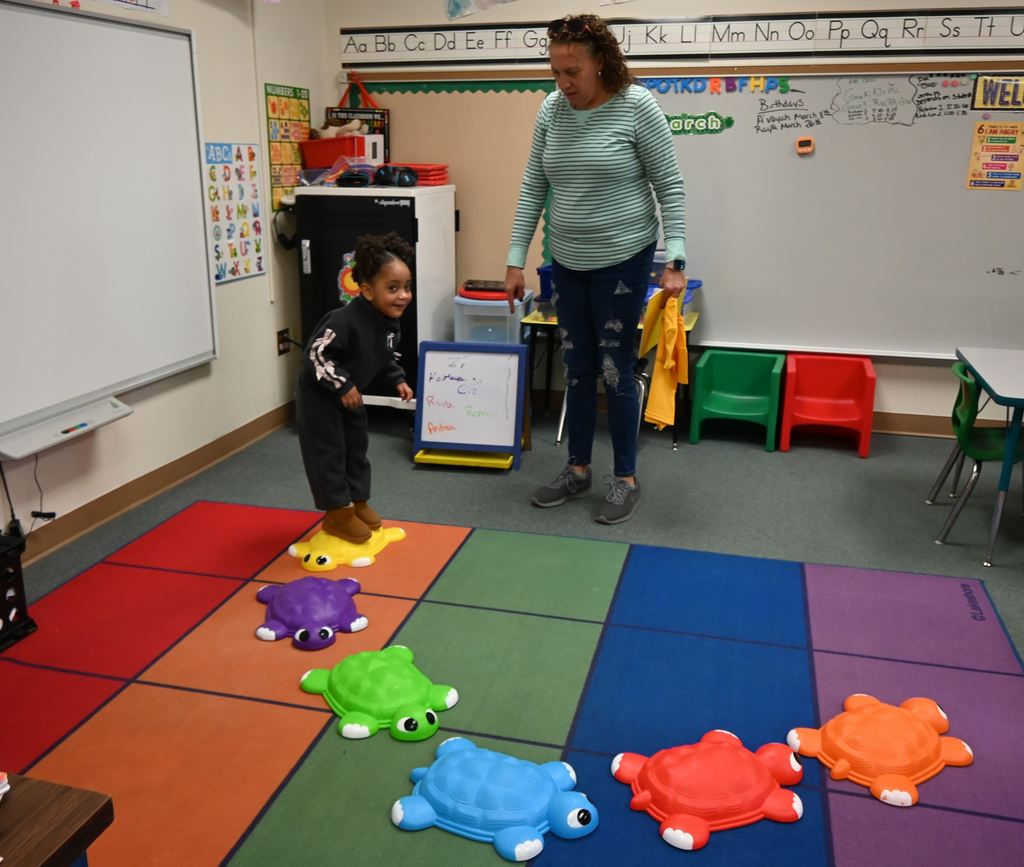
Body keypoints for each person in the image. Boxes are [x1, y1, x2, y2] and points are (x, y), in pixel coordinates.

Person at [505, 12, 687, 525]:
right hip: (566, 260)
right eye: (555, 72)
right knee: (578, 371)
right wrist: (515, 258)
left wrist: (674, 258)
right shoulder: (551, 111)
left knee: (615, 369)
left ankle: (625, 478)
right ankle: (577, 468)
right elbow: (533, 187)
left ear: (602, 63)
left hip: (623, 261)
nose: (563, 85)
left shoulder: (638, 107)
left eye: (573, 73)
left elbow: (669, 186)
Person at [295, 232, 415, 543]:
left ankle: (358, 503)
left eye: (406, 287)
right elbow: (315, 353)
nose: (403, 295)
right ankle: (337, 514)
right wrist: (342, 384)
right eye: (393, 288)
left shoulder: (389, 322)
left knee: (356, 449)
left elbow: (384, 354)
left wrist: (397, 378)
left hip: (351, 397)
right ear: (366, 290)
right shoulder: (344, 321)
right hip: (321, 398)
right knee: (330, 454)